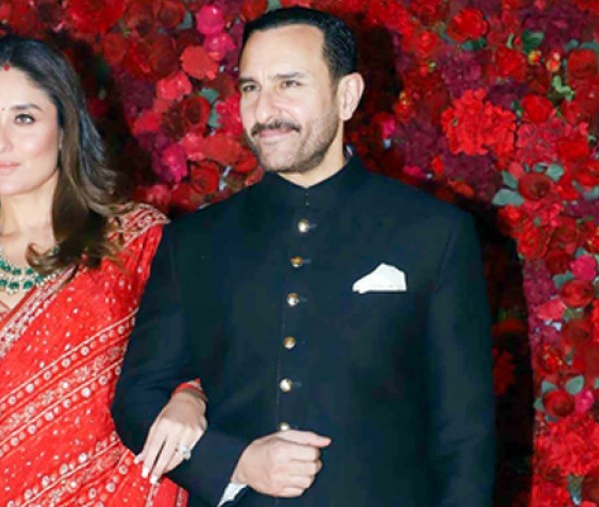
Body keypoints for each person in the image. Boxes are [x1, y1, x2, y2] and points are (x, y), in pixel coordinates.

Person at [112, 7, 495, 507]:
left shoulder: (433, 233)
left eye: (288, 84)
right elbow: (136, 399)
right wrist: (236, 463)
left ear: (347, 95)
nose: (264, 109)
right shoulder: (194, 242)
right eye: (251, 87)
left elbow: (464, 437)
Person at [0, 35, 205, 506]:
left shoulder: (135, 239)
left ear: (65, 126)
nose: (0, 142)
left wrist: (191, 398)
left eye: (24, 118)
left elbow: (199, 356)